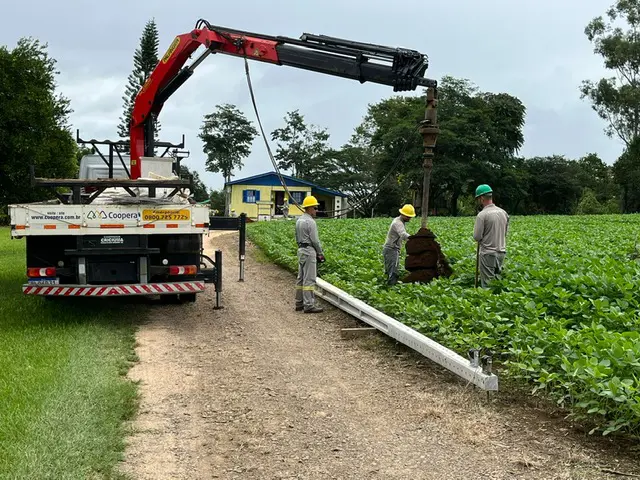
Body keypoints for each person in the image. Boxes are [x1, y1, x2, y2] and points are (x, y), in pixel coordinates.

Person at [473, 184, 509, 288]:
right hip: (501, 252)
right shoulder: (503, 213)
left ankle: (486, 303)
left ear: (482, 198)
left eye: (478, 198)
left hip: (488, 253)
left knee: (487, 286)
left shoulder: (482, 215)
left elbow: (477, 237)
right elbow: (505, 232)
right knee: (496, 283)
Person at [295, 195, 325, 313]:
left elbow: (297, 237)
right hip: (309, 250)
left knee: (300, 278)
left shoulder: (299, 220)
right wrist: (320, 253)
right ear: (310, 208)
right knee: (309, 279)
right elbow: (315, 240)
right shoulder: (310, 222)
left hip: (301, 250)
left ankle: (299, 302)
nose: (316, 210)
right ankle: (309, 305)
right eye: (315, 208)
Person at [382, 204, 416, 285]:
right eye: (408, 216)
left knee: (390, 269)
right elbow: (403, 234)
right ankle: (391, 290)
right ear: (403, 214)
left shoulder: (400, 221)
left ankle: (388, 287)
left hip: (391, 248)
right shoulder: (398, 223)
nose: (409, 218)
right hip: (391, 249)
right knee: (393, 271)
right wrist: (415, 240)